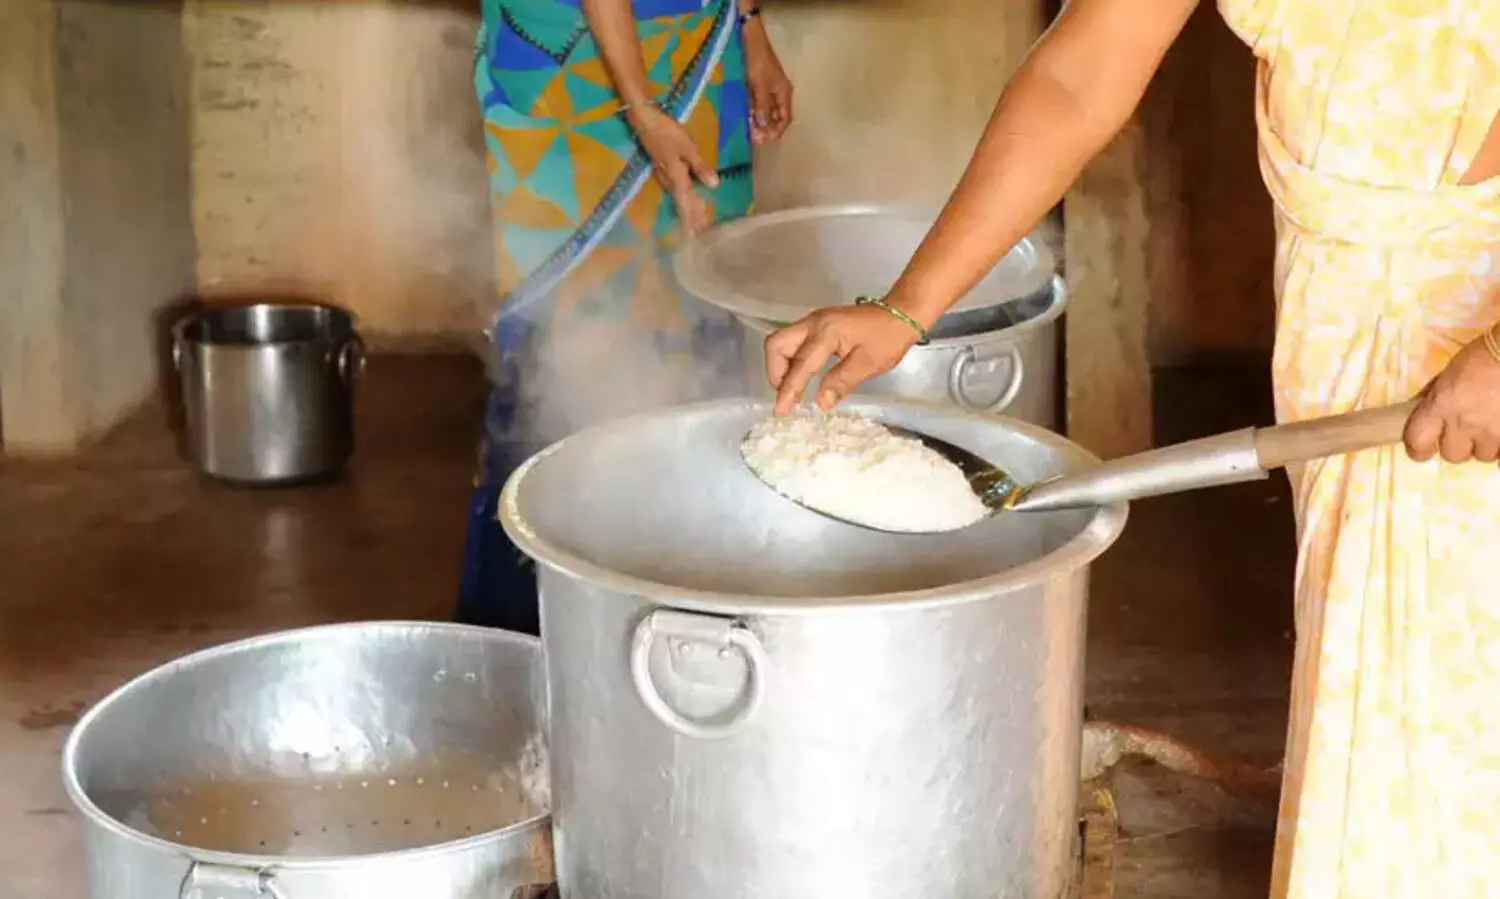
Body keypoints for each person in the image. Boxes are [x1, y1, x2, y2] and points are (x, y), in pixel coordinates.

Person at [763, 2, 1500, 897]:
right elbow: (1081, 73)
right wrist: (907, 307)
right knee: (1390, 708)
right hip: (1347, 331)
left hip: (1475, 337)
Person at [456, 0, 793, 633]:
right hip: (569, 68)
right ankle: (513, 643)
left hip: (698, 47)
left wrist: (749, 30)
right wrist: (639, 106)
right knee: (555, 353)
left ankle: (683, 634)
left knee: (702, 324)